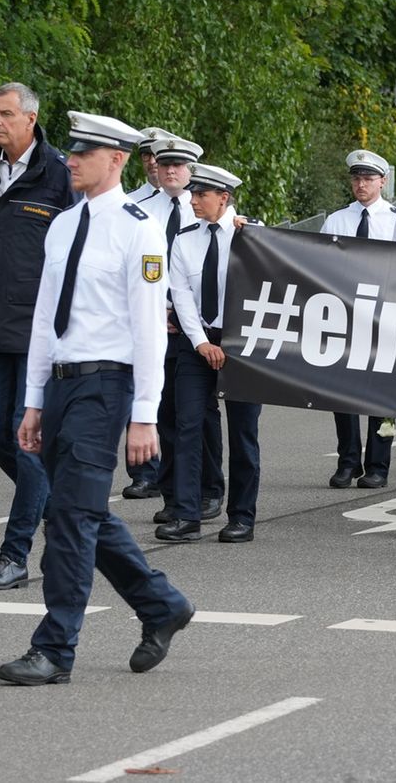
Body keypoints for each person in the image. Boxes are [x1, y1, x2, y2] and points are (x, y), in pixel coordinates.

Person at [0, 110, 194, 685]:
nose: (71, 161)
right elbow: (43, 321)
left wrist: (145, 415)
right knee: (77, 511)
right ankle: (161, 604)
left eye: (83, 153)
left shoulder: (139, 228)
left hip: (107, 384)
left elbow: (150, 328)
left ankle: (55, 648)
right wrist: (33, 400)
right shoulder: (62, 225)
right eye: (70, 153)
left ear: (117, 160)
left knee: (69, 521)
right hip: (60, 383)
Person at [0, 82, 75, 591]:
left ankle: (14, 555)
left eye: (6, 113)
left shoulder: (59, 175)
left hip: (40, 332)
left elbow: (76, 257)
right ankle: (52, 501)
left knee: (29, 445)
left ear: (31, 118)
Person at [156, 163, 264, 545]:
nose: (194, 200)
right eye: (193, 193)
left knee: (242, 432)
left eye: (201, 194)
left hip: (242, 343)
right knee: (188, 426)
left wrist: (228, 342)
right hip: (196, 340)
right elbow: (181, 295)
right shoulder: (186, 239)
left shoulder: (253, 235)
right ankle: (187, 514)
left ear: (224, 198)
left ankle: (241, 517)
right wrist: (201, 341)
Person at [133, 136, 206, 523]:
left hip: (196, 328)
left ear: (191, 171)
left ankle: (207, 491)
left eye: (179, 166)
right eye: (165, 165)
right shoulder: (139, 209)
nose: (171, 171)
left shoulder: (204, 208)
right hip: (154, 325)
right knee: (162, 414)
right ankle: (171, 495)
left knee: (196, 417)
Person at [319, 150, 396, 488]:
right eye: (356, 178)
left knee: (382, 397)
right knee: (343, 393)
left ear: (382, 181)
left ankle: (379, 464)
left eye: (368, 178)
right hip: (345, 316)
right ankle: (348, 460)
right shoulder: (337, 221)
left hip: (385, 317)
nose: (361, 184)